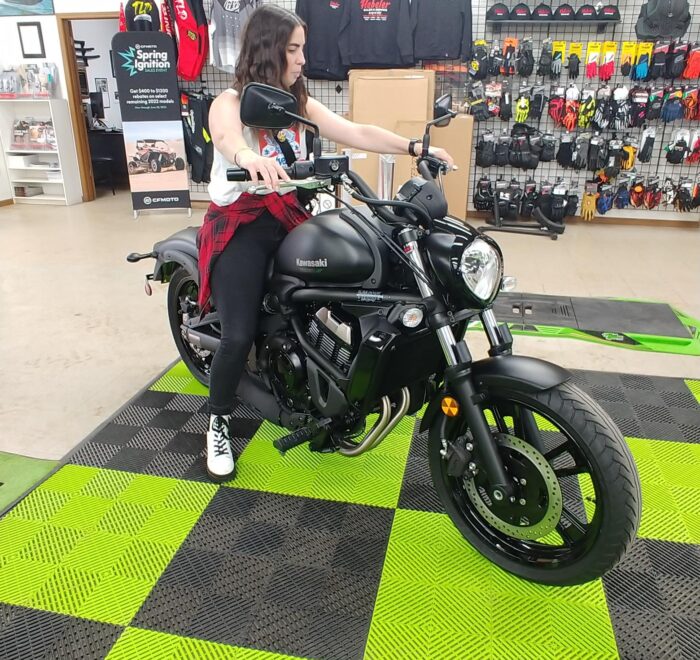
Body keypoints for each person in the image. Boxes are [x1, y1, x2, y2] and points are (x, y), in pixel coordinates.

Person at [200, 4, 454, 482]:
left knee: (357, 282)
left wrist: (416, 148)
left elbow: (356, 130)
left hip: (292, 215)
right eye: (293, 49)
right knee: (236, 333)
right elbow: (226, 136)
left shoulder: (297, 104)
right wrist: (247, 157)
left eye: (302, 49)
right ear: (268, 50)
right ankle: (217, 420)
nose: (302, 59)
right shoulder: (231, 102)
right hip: (244, 224)